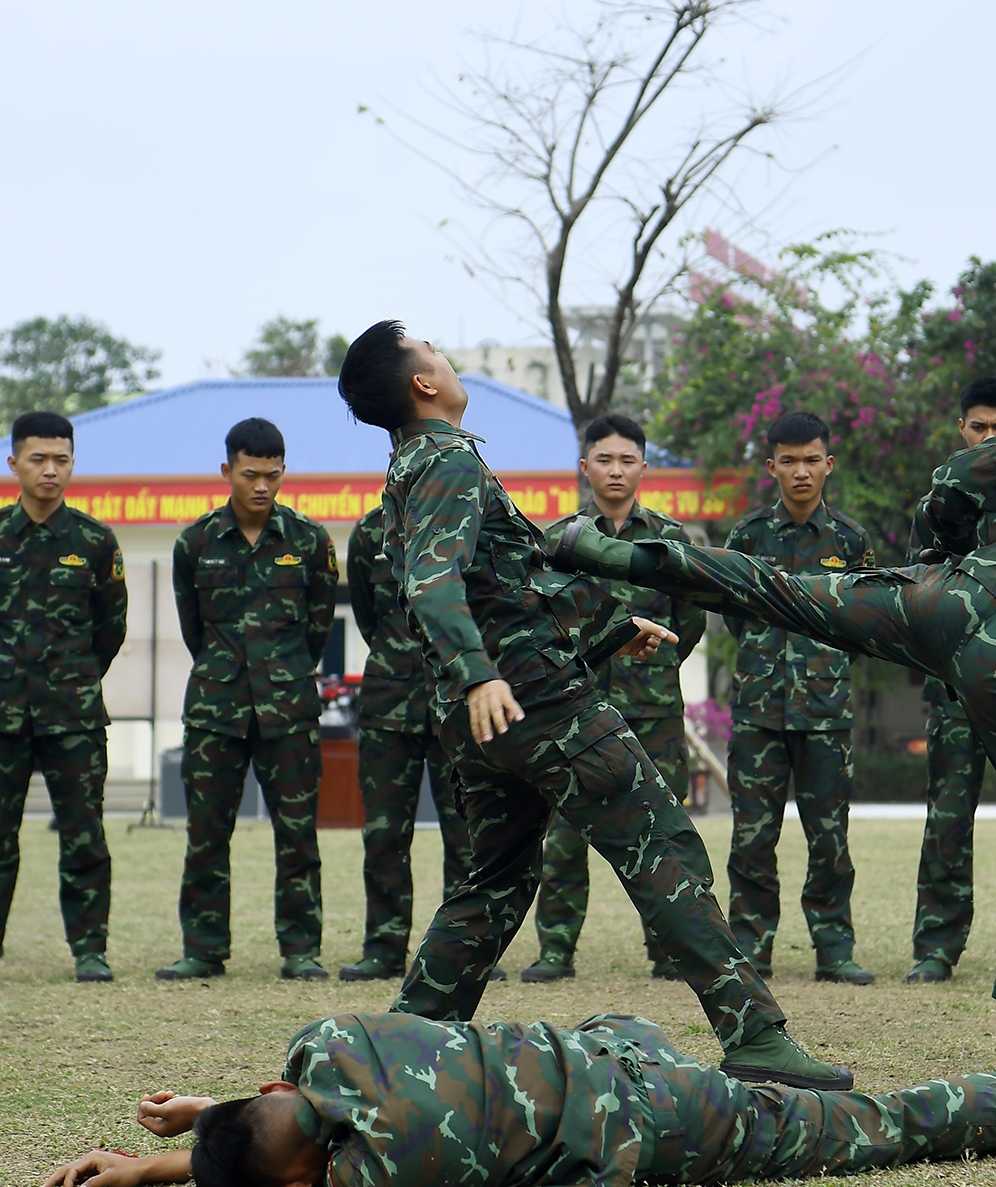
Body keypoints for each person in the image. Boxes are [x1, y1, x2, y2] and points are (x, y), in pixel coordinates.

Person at [554, 343, 996, 1084]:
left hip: (947, 601)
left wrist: (944, 553)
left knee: (781, 591)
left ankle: (607, 555)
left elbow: (959, 478)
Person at [334, 320, 852, 1090]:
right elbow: (432, 586)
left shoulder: (412, 467)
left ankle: (408, 1043)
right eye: (433, 349)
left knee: (494, 881)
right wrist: (481, 673)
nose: (445, 354)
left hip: (491, 714)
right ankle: (755, 1033)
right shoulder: (445, 462)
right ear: (423, 383)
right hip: (528, 703)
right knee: (661, 842)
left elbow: (503, 591)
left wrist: (608, 634)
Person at [40, 1012, 996, 1187]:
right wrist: (197, 1121)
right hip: (601, 1051)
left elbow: (301, 1166)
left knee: (872, 1127)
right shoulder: (325, 1043)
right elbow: (287, 1114)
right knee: (617, 1023)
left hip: (655, 1118)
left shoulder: (376, 1178)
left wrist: (169, 1163)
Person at [0, 411, 127, 985]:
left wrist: (69, 677)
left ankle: (89, 951)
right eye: (39, 459)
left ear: (73, 463)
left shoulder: (95, 541)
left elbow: (109, 630)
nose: (51, 470)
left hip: (72, 716)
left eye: (62, 459)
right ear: (14, 463)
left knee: (84, 836)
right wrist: (7, 673)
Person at [525, 414, 708, 984]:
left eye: (627, 460)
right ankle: (555, 949)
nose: (616, 470)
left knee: (661, 828)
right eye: (604, 459)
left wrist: (655, 667)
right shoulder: (558, 541)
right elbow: (542, 623)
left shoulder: (670, 540)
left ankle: (669, 950)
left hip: (652, 710)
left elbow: (690, 622)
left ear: (644, 468)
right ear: (586, 467)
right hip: (574, 709)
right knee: (562, 832)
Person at [158, 418, 339, 982]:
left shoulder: (310, 542)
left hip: (288, 711)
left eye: (272, 475)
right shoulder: (195, 543)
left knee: (297, 834)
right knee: (207, 832)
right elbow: (195, 630)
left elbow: (317, 631)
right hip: (216, 710)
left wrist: (282, 674)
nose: (261, 486)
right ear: (227, 472)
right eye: (250, 474)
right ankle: (204, 948)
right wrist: (226, 673)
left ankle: (300, 949)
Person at [722, 411, 876, 985]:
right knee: (752, 838)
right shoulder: (747, 538)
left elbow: (862, 624)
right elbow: (735, 618)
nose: (801, 471)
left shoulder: (851, 541)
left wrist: (824, 669)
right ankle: (750, 948)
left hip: (825, 716)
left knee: (830, 839)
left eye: (812, 459)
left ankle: (834, 949)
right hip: (758, 713)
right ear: (771, 467)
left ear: (828, 464)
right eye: (789, 461)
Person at [906, 378, 996, 984]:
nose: (989, 437)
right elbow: (916, 597)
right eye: (978, 427)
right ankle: (936, 946)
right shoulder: (935, 508)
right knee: (947, 822)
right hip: (954, 693)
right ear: (962, 431)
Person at [338, 504, 482, 983]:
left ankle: (464, 949)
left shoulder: (465, 522)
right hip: (389, 704)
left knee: (466, 835)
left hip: (456, 701)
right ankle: (383, 947)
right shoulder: (368, 533)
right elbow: (365, 615)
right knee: (384, 836)